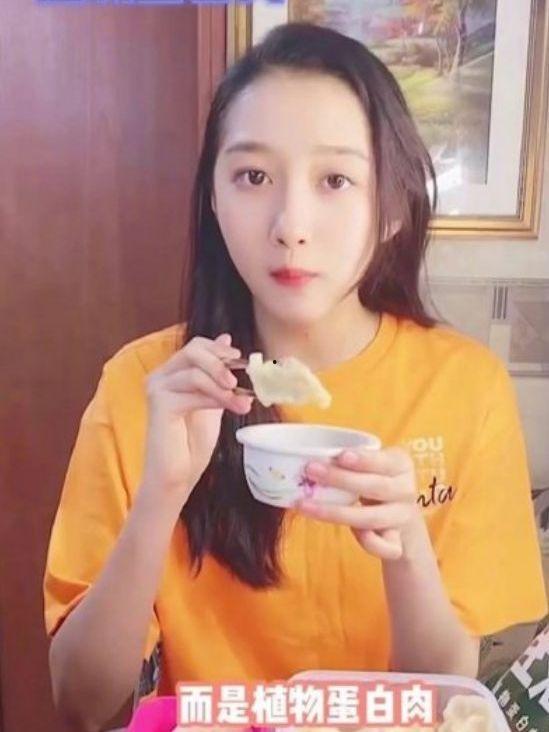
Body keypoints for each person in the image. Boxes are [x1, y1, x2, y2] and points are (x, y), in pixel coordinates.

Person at [43, 22, 547, 732]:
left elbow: (442, 694)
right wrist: (160, 495)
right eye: (253, 177)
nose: (290, 225)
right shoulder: (143, 387)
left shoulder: (467, 388)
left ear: (392, 207)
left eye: (335, 180)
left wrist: (405, 546)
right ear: (213, 197)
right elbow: (82, 703)